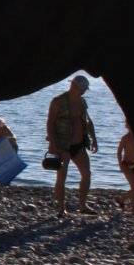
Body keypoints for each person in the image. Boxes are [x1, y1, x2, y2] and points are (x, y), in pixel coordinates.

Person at [45, 75, 98, 215]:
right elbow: (50, 122)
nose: (83, 91)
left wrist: (93, 138)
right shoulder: (58, 101)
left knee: (86, 174)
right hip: (62, 145)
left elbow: (87, 119)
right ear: (73, 85)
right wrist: (52, 143)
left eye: (85, 89)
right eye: (81, 88)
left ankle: (82, 205)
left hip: (79, 144)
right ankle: (61, 208)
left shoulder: (82, 102)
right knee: (61, 177)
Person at [117, 120, 134, 212]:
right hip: (126, 165)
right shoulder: (125, 138)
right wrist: (120, 164)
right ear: (126, 126)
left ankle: (122, 199)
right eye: (129, 125)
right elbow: (119, 151)